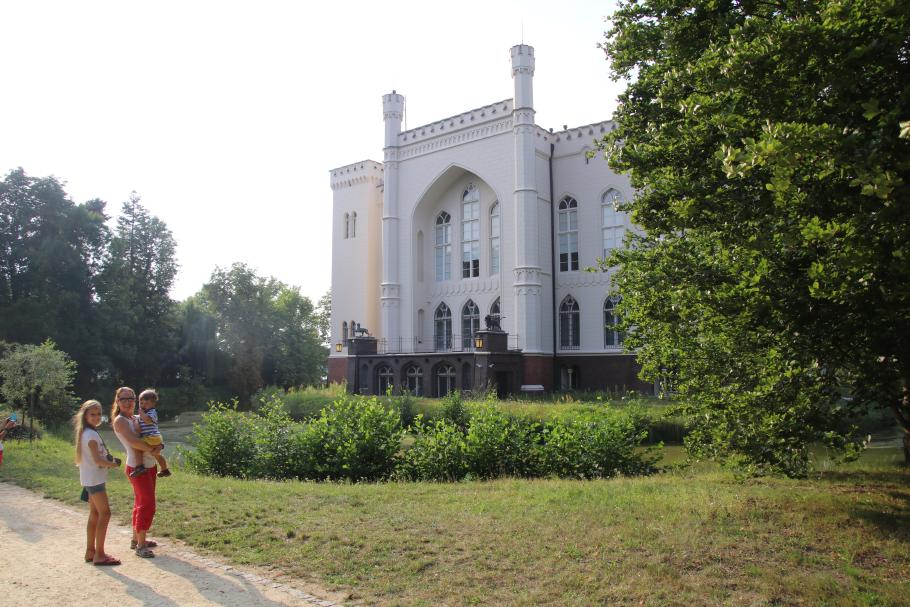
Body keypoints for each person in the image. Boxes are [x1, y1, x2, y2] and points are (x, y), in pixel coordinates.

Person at [110, 386, 159, 558]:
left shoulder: (135, 417)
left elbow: (153, 430)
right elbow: (134, 442)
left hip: (149, 465)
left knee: (141, 502)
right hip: (138, 468)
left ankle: (136, 538)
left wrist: (157, 447)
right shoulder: (120, 421)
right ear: (117, 401)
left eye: (131, 398)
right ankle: (140, 545)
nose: (129, 402)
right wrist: (153, 449)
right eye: (124, 399)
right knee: (147, 504)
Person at [73, 400, 121, 566]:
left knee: (94, 514)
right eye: (92, 414)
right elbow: (98, 460)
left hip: (90, 479)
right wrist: (113, 463)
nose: (96, 417)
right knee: (105, 514)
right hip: (95, 480)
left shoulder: (87, 432)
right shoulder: (91, 435)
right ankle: (99, 554)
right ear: (85, 415)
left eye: (99, 414)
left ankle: (90, 551)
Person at [129, 389, 171, 478]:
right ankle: (165, 470)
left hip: (152, 437)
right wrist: (136, 420)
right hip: (151, 438)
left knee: (136, 446)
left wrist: (141, 414)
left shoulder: (152, 412)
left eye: (146, 404)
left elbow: (147, 421)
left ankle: (140, 467)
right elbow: (138, 429)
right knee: (157, 454)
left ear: (153, 404)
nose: (143, 405)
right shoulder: (142, 415)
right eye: (141, 403)